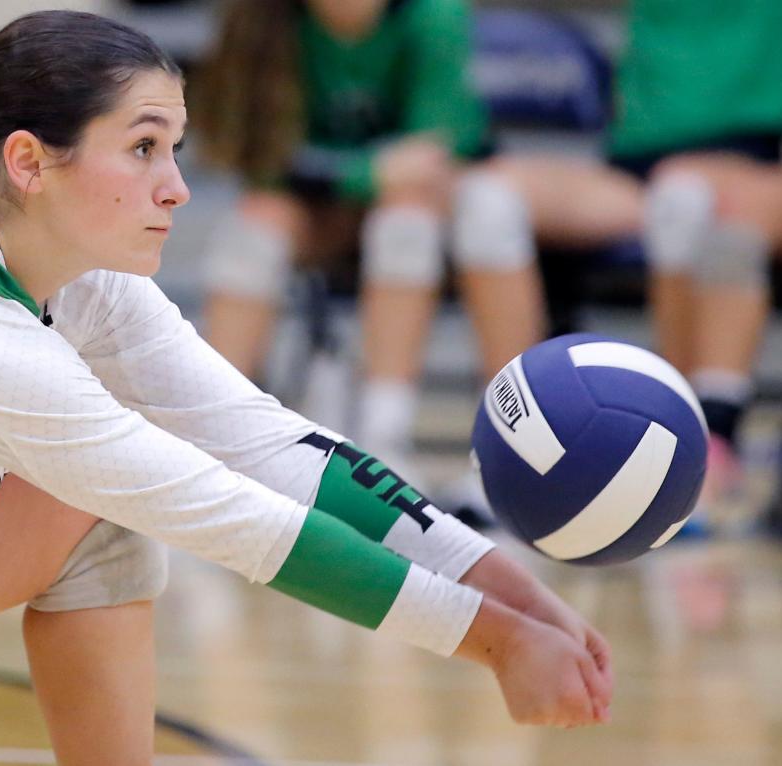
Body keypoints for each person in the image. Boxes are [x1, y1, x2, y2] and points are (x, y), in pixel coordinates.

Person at [0, 9, 612, 764]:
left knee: (84, 509)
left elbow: (268, 442)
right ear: (29, 161)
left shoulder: (80, 277)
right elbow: (236, 519)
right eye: (143, 147)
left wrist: (513, 592)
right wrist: (497, 641)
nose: (177, 187)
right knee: (109, 490)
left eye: (173, 149)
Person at [485, 0, 782, 521]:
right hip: (635, 170)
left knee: (690, 203)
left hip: (752, 168)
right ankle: (507, 441)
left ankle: (701, 441)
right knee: (486, 204)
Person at [194, 0, 545, 471]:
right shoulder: (259, 18)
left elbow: (434, 151)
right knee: (253, 228)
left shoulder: (432, 15)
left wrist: (360, 176)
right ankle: (209, 439)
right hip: (318, 209)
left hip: (422, 205)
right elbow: (249, 152)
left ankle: (390, 439)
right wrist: (365, 173)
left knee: (414, 219)